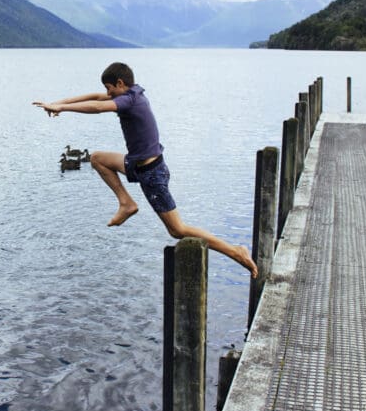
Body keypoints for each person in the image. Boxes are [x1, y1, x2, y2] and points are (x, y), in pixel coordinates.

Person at [34, 62, 258, 277]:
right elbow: (93, 97)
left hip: (152, 174)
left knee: (177, 230)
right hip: (137, 164)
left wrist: (62, 107)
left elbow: (99, 106)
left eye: (109, 88)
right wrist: (58, 103)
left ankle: (235, 251)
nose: (107, 93)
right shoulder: (132, 94)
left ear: (120, 83)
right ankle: (127, 203)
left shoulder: (129, 101)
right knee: (98, 159)